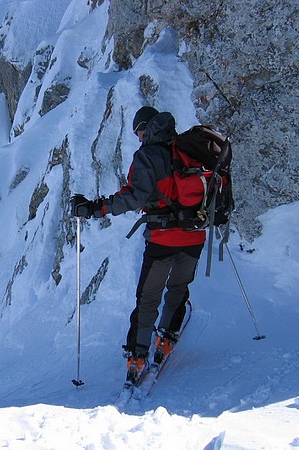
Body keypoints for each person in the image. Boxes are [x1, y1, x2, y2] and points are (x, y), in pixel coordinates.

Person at [70, 106, 205, 384]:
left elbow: (134, 196)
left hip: (163, 239)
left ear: (146, 128)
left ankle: (138, 356)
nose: (137, 137)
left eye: (138, 132)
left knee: (148, 299)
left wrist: (96, 208)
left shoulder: (147, 156)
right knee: (179, 287)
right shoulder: (187, 148)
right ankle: (167, 337)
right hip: (195, 234)